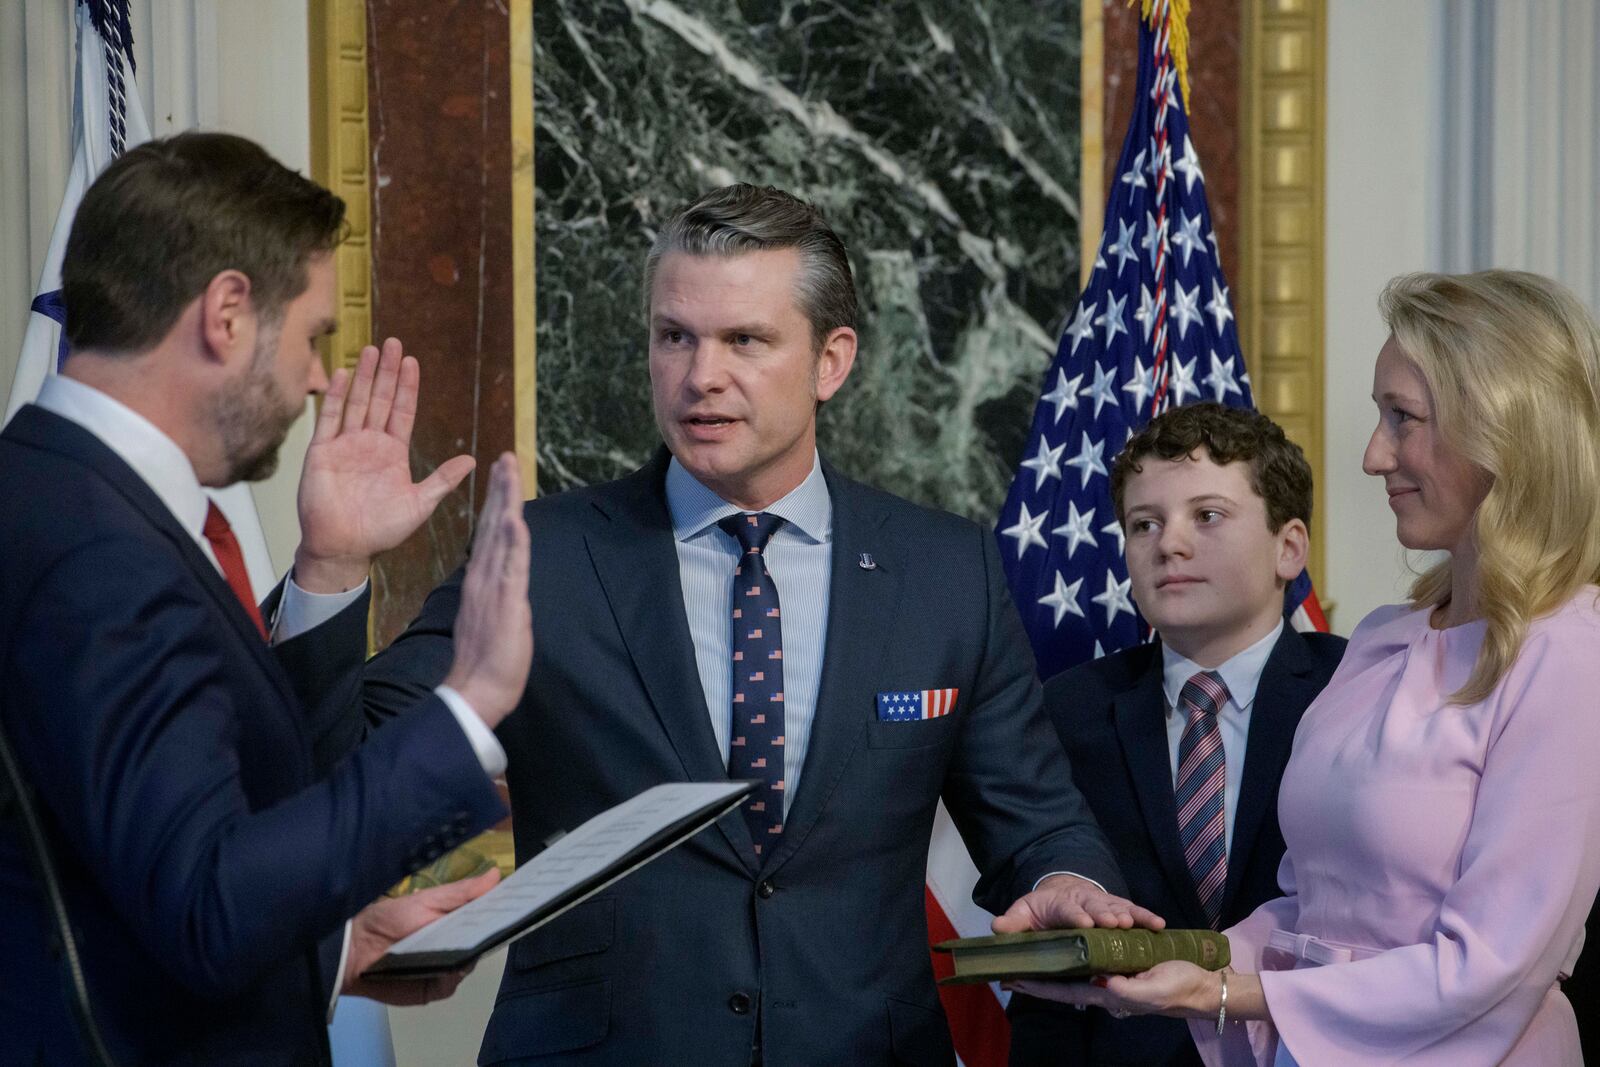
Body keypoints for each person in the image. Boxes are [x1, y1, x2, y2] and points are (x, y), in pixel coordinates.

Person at [310, 183, 1159, 1065]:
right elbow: (342, 769)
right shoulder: (542, 555)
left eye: (744, 340)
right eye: (674, 336)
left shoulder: (947, 572)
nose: (700, 375)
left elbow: (1034, 814)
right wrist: (332, 568)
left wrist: (1067, 879)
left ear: (832, 361)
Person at [0, 132, 534, 1066]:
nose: (320, 377)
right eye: (315, 335)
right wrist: (468, 707)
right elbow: (211, 906)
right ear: (229, 312)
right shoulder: (103, 556)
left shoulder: (41, 489)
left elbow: (122, 885)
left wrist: (334, 949)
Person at [1011, 269, 1600, 1065]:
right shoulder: (1386, 639)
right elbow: (1305, 912)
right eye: (1379, 416)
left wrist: (1220, 993)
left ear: (1504, 428)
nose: (1371, 454)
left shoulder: (1567, 650)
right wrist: (1156, 964)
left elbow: (1490, 966)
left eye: (1403, 418)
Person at [1007, 403, 1346, 1066]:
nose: (1169, 544)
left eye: (1207, 515)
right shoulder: (1067, 708)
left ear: (1290, 546)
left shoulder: (1356, 692)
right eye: (1144, 524)